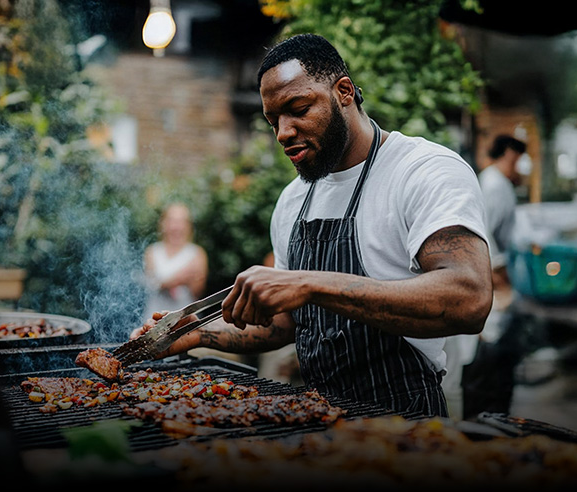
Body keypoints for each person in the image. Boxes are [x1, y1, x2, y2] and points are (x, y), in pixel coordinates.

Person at [131, 34, 493, 417]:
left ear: (344, 92)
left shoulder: (422, 171)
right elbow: (287, 323)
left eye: (298, 108)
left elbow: (469, 298)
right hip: (320, 422)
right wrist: (190, 333)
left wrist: (308, 284)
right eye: (274, 121)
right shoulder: (293, 200)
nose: (284, 132)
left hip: (406, 423)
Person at [457, 134, 528, 418]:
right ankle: (486, 420)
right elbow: (483, 233)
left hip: (496, 278)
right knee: (490, 355)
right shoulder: (495, 185)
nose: (519, 167)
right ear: (507, 154)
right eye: (517, 159)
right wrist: (500, 279)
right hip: (493, 280)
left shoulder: (496, 183)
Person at [142, 202, 209, 320]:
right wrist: (177, 279)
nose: (176, 226)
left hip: (185, 321)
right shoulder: (152, 251)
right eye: (172, 220)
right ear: (163, 223)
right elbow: (149, 285)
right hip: (154, 319)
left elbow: (198, 292)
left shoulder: (197, 253)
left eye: (181, 221)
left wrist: (166, 282)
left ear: (189, 225)